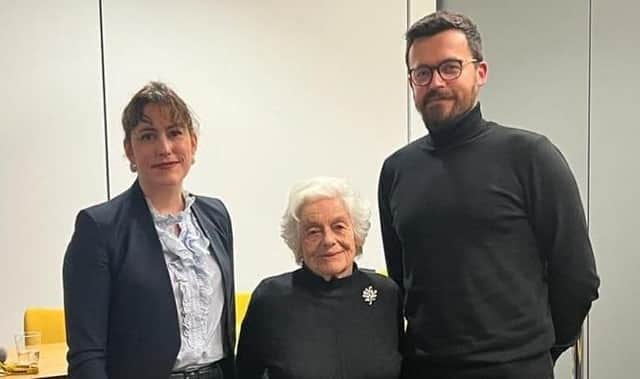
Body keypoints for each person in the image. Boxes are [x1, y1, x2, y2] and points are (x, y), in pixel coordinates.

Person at [378, 11, 600, 379]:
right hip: (425, 370)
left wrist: (534, 353)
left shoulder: (530, 156)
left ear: (480, 73)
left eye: (450, 67)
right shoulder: (396, 170)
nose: (436, 82)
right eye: (423, 72)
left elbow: (578, 278)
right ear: (412, 82)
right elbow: (403, 282)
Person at [63, 81, 235, 379]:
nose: (164, 148)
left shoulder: (215, 215)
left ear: (193, 142)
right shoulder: (99, 228)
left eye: (175, 132)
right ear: (130, 150)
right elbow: (87, 354)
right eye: (148, 136)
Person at [236, 177, 402, 379]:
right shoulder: (270, 298)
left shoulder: (387, 294)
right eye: (313, 231)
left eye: (339, 226)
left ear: (356, 233)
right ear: (298, 241)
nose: (328, 240)